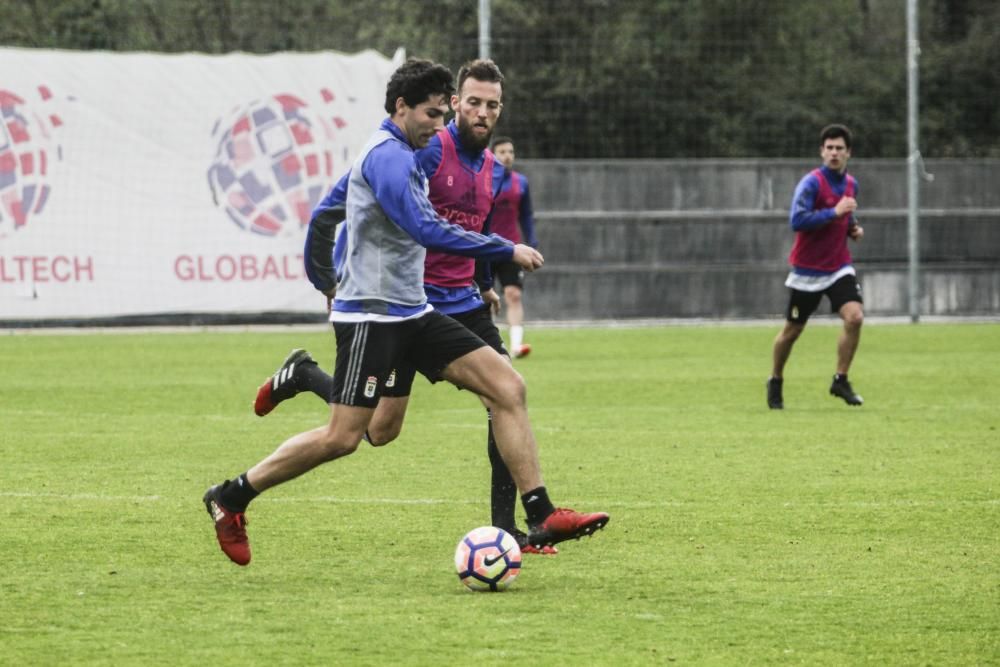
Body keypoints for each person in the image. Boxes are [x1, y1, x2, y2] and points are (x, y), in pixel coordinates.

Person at [203, 58, 609, 566]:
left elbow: (352, 217)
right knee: (345, 437)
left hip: (413, 311)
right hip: (373, 317)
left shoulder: (424, 153)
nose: (442, 126)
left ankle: (541, 513)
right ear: (401, 108)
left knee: (506, 387)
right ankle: (232, 495)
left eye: (446, 115)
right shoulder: (389, 158)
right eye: (434, 115)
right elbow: (423, 228)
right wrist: (502, 249)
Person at [767, 123, 865, 409]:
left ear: (849, 153)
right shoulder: (811, 183)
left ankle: (840, 379)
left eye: (840, 148)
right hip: (807, 272)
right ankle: (775, 379)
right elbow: (797, 221)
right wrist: (834, 212)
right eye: (830, 148)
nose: (834, 153)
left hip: (838, 267)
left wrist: (853, 229)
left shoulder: (851, 184)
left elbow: (845, 219)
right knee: (792, 331)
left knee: (855, 317)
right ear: (822, 151)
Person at [487, 136, 537, 359]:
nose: (507, 156)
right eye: (502, 152)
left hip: (511, 248)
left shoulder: (521, 182)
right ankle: (489, 346)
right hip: (485, 247)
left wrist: (531, 241)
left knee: (513, 294)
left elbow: (526, 214)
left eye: (510, 151)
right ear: (492, 155)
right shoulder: (484, 179)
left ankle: (516, 345)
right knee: (485, 298)